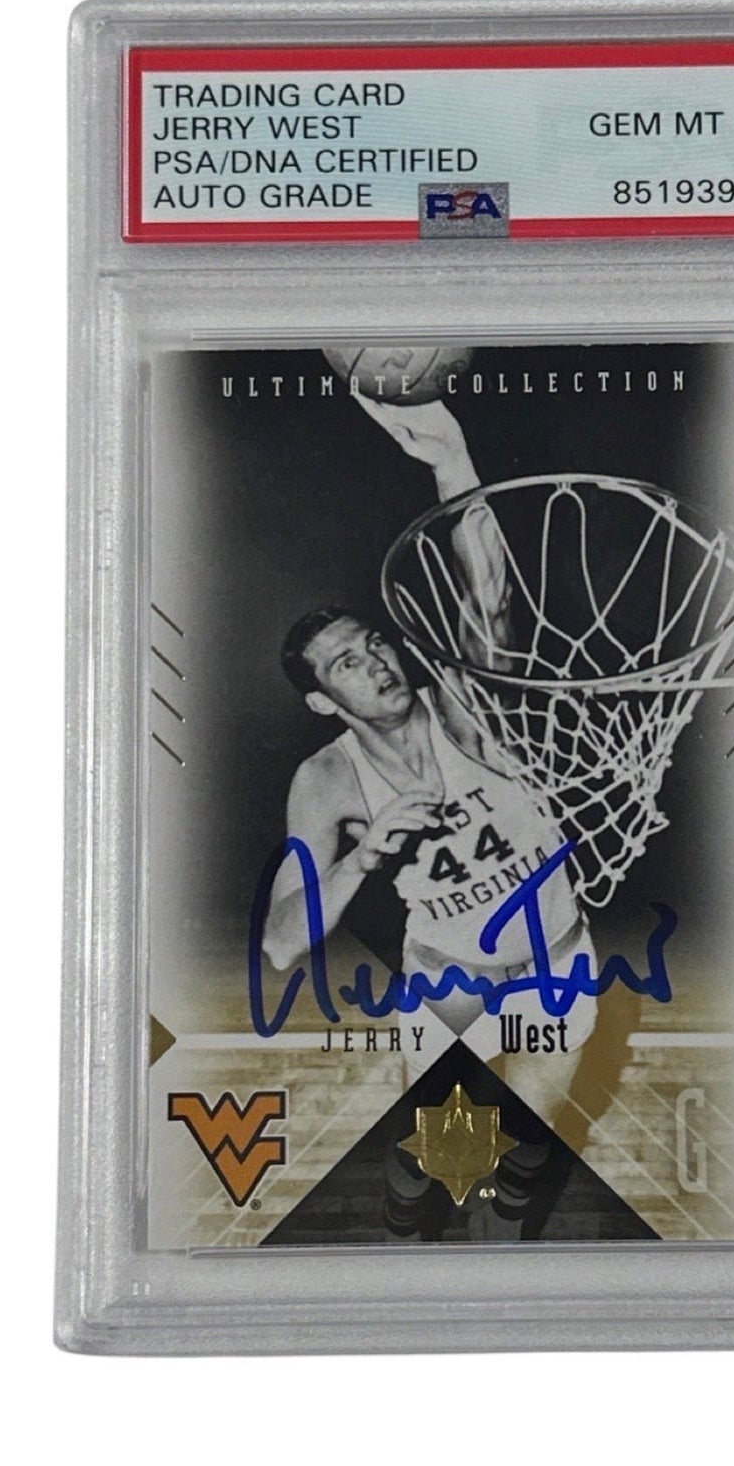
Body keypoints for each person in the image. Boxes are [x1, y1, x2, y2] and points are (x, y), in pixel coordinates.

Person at [259, 396, 595, 1064]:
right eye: (347, 664)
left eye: (373, 644)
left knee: (538, 1130)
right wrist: (363, 857)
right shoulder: (327, 779)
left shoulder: (464, 704)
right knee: (446, 1133)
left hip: (556, 964)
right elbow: (280, 941)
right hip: (447, 983)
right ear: (323, 703)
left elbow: (491, 598)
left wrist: (452, 464)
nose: (375, 663)